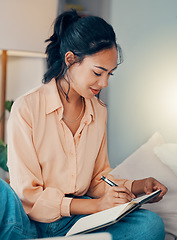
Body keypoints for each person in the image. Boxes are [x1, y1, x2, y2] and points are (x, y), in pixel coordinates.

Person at [0, 9, 167, 240]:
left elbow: (98, 180)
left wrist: (139, 186)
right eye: (98, 72)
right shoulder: (26, 109)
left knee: (150, 225)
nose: (105, 82)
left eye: (110, 74)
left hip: (81, 219)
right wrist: (96, 207)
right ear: (70, 59)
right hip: (35, 221)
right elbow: (28, 197)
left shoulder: (98, 112)